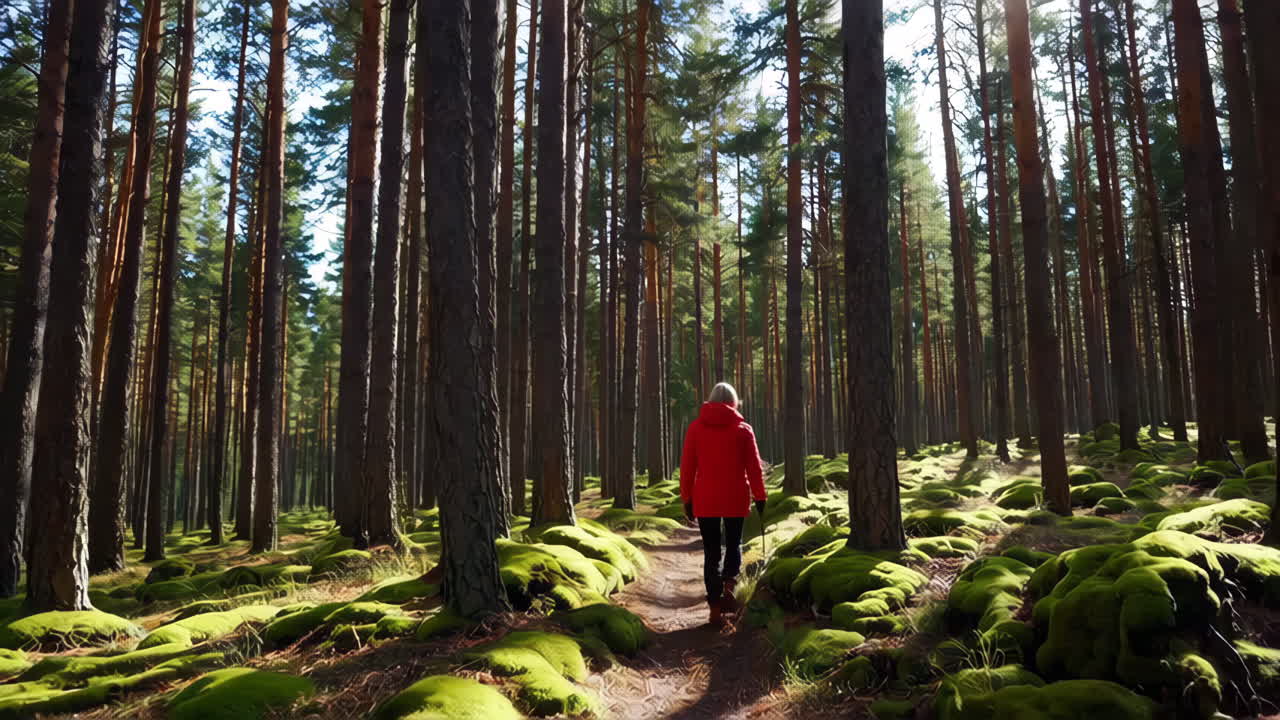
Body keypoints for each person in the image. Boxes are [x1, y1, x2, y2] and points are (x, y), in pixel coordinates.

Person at [679, 382, 767, 625]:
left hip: (705, 499)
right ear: (734, 402)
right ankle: (729, 587)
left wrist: (687, 498)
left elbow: (687, 467)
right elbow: (754, 468)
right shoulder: (743, 430)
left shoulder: (696, 428)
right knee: (733, 543)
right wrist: (760, 497)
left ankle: (715, 609)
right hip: (735, 496)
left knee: (711, 552)